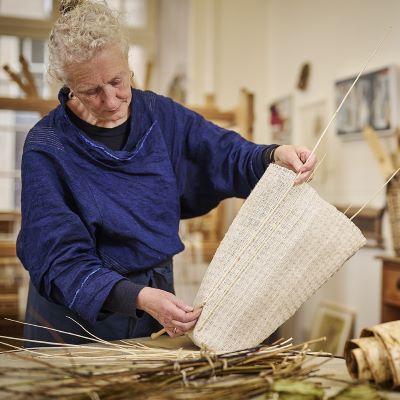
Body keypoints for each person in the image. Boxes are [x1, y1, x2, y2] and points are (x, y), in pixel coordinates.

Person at [17, 0, 317, 347]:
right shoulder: (47, 146)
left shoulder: (160, 116)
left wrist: (274, 155)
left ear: (128, 64)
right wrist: (138, 297)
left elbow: (221, 153)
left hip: (153, 305)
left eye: (117, 81)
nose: (111, 100)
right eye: (91, 91)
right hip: (76, 316)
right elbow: (58, 259)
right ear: (68, 84)